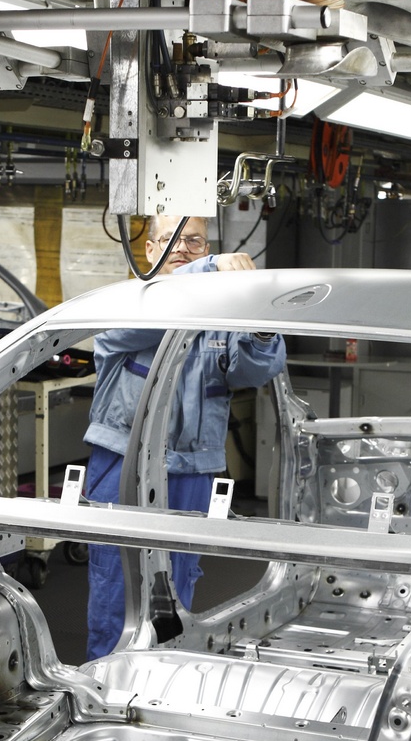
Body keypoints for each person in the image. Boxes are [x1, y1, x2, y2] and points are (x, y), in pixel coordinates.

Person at [82, 214, 286, 659]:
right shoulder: (125, 304)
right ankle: (107, 682)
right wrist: (207, 270)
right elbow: (141, 321)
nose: (181, 248)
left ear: (206, 245)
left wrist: (262, 327)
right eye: (169, 240)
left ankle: (164, 679)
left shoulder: (221, 317)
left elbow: (253, 370)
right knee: (118, 583)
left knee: (178, 583)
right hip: (123, 465)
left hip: (194, 469)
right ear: (149, 250)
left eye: (193, 241)